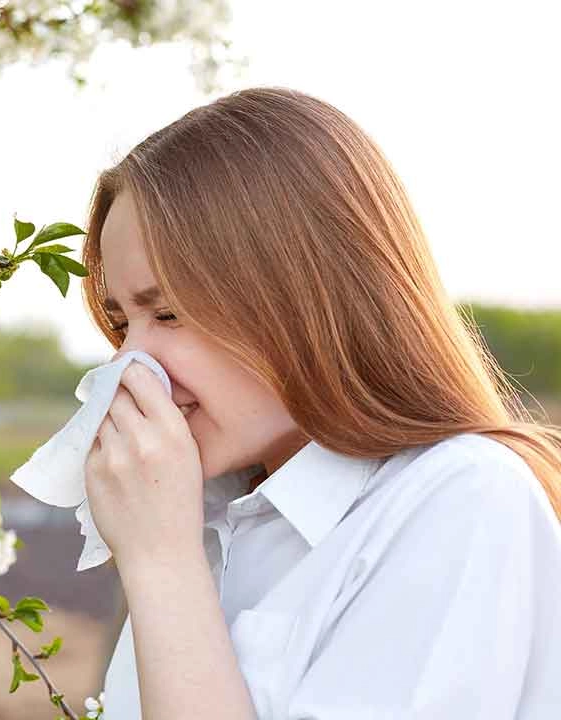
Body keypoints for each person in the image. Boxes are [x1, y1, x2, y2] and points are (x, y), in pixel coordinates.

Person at [79, 86, 561, 719]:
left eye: (167, 313)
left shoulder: (461, 498)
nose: (129, 366)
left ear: (306, 295)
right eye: (121, 325)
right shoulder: (211, 518)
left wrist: (161, 564)